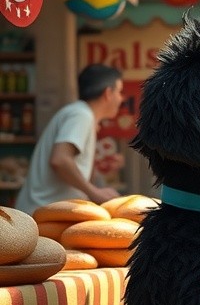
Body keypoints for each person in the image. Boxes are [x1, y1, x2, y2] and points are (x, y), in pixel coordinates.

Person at [16, 64, 124, 215]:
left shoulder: (81, 114)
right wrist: (94, 192)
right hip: (40, 217)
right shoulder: (81, 114)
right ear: (107, 93)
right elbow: (60, 160)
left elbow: (76, 168)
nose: (121, 98)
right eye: (119, 92)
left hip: (45, 214)